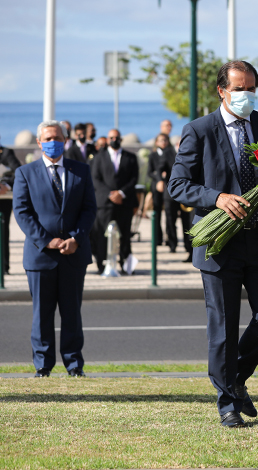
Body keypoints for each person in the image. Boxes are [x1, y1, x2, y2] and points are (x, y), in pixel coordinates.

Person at [168, 60, 258, 428]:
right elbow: (178, 185)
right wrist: (217, 198)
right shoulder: (198, 130)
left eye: (251, 88)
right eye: (239, 89)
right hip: (220, 243)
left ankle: (234, 377)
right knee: (223, 326)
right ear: (222, 91)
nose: (246, 95)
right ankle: (227, 404)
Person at [12, 120, 96, 378]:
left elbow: (89, 209)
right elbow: (22, 212)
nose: (52, 142)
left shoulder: (81, 170)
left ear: (65, 140)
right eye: (47, 138)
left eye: (57, 137)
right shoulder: (25, 173)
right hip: (40, 255)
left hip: (74, 253)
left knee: (72, 313)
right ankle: (43, 365)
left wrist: (76, 239)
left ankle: (74, 365)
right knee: (42, 313)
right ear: (39, 142)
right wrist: (47, 241)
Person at [91, 128, 139, 274]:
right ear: (107, 139)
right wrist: (110, 194)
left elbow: (134, 179)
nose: (114, 140)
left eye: (117, 138)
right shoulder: (99, 157)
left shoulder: (131, 157)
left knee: (125, 236)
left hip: (124, 202)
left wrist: (121, 193)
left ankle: (126, 266)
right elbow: (95, 179)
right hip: (105, 203)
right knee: (102, 235)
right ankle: (102, 266)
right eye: (111, 138)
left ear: (121, 139)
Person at [160, 134, 193, 261]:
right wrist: (160, 180)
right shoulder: (168, 152)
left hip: (186, 194)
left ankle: (189, 248)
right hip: (171, 193)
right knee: (170, 220)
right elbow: (160, 168)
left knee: (188, 222)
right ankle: (172, 244)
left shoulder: (190, 152)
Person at [0, 136, 22, 274]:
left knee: (2, 231)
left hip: (3, 199)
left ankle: (3, 266)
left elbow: (18, 171)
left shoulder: (6, 153)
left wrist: (6, 185)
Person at [147, 134, 170, 247]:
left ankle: (170, 238)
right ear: (156, 142)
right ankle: (158, 238)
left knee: (169, 214)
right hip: (156, 187)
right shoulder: (153, 155)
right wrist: (159, 177)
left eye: (165, 140)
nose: (163, 142)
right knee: (157, 213)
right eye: (161, 140)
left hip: (168, 187)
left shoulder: (171, 154)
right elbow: (149, 172)